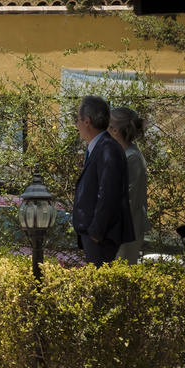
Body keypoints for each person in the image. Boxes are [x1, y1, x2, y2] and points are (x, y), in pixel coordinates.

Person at [72, 95, 134, 266]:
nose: (75, 124)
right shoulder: (100, 147)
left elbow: (108, 194)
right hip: (97, 236)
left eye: (77, 119)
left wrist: (95, 232)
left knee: (98, 288)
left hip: (101, 237)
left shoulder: (107, 148)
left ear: (87, 121)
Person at [109, 106, 148, 264]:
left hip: (126, 230)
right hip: (120, 228)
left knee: (121, 275)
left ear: (116, 130)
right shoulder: (123, 154)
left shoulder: (132, 158)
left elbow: (129, 200)